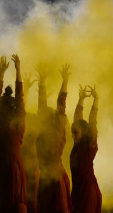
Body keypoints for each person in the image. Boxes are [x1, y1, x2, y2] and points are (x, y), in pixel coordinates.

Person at [36, 64, 73, 213]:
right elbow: (43, 106)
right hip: (46, 178)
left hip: (55, 178)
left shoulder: (57, 131)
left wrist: (64, 81)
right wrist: (42, 83)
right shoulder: (46, 130)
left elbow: (60, 104)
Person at [0, 54, 26, 213]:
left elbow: (19, 96)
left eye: (5, 106)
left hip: (14, 174)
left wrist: (18, 69)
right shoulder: (1, 120)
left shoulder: (18, 123)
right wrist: (1, 72)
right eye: (1, 106)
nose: (2, 108)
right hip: (1, 173)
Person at [70, 85, 102, 213]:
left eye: (75, 133)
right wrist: (81, 99)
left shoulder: (89, 146)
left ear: (83, 132)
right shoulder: (77, 144)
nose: (72, 135)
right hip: (78, 191)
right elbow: (77, 118)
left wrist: (96, 100)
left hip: (87, 193)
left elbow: (92, 121)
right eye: (72, 132)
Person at [19, 73, 39, 213]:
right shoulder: (23, 134)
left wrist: (26, 87)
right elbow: (21, 110)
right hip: (27, 169)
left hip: (30, 170)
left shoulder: (29, 135)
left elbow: (20, 110)